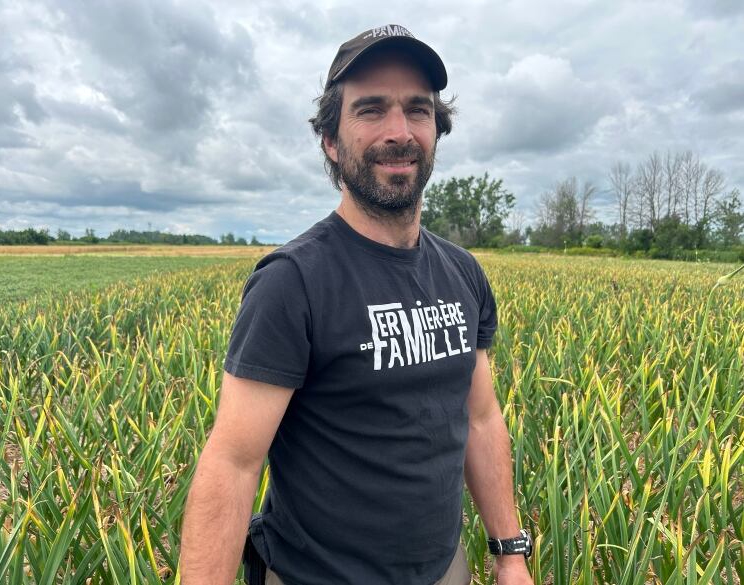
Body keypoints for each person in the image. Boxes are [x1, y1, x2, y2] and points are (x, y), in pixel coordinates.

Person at [180, 24, 533, 585]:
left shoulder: (464, 274)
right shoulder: (292, 282)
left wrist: (510, 553)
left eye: (418, 110)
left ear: (436, 131)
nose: (400, 131)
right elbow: (233, 461)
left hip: (444, 570)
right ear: (330, 140)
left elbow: (481, 417)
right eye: (371, 109)